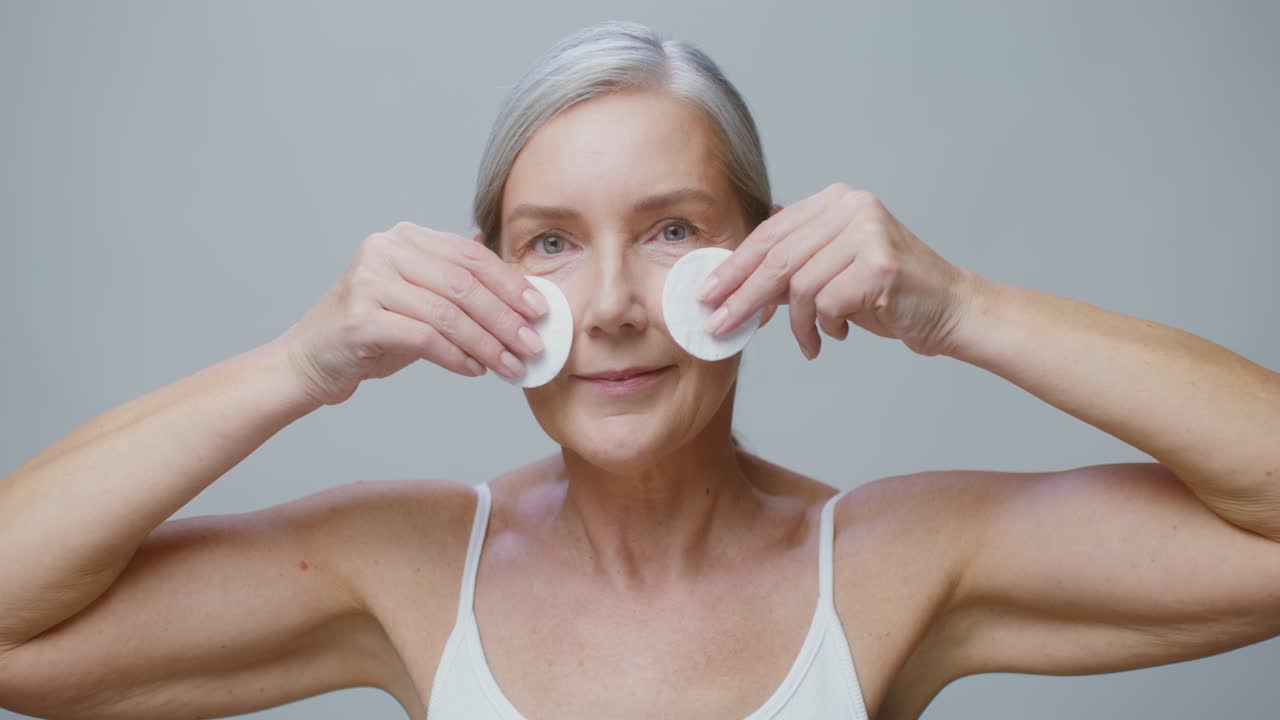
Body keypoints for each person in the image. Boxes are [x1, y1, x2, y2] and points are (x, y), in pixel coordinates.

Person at [2, 18, 1278, 720]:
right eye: (549, 243)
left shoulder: (888, 564)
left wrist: (960, 307)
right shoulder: (407, 569)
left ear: (762, 254)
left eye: (670, 229)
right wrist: (302, 361)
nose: (611, 305)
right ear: (488, 274)